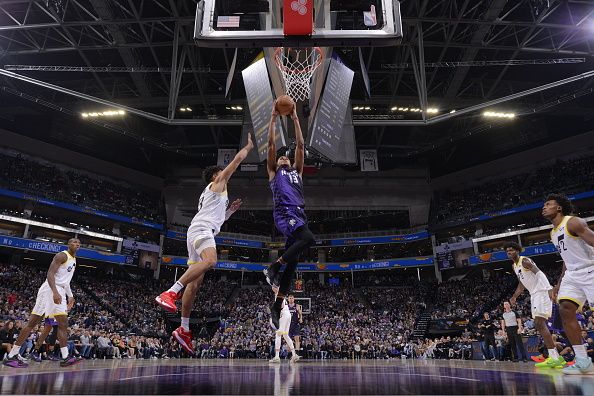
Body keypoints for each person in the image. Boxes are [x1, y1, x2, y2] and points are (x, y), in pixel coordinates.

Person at [155, 134, 254, 354]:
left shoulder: (213, 195)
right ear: (216, 175)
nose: (225, 173)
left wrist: (229, 212)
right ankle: (170, 292)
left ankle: (184, 328)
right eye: (222, 171)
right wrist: (248, 147)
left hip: (199, 229)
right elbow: (236, 162)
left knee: (195, 284)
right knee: (211, 260)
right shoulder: (217, 183)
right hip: (201, 230)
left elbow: (215, 217)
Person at [263, 101, 316, 328]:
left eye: (286, 157)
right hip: (285, 214)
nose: (283, 157)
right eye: (280, 157)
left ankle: (277, 305)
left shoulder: (297, 171)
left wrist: (295, 118)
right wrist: (274, 118)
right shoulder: (274, 172)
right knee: (309, 239)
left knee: (293, 267)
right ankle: (274, 266)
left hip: (299, 215)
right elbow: (271, 144)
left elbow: (301, 146)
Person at [3, 238, 81, 368]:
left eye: (79, 243)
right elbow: (50, 273)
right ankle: (12, 356)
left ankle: (12, 356)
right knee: (41, 322)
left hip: (58, 289)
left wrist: (71, 296)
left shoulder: (74, 260)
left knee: (56, 323)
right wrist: (55, 292)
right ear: (68, 244)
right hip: (51, 289)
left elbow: (65, 281)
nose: (77, 244)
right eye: (74, 242)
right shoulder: (62, 255)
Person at [544, 193, 594, 374]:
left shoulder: (573, 222)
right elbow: (567, 258)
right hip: (572, 275)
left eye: (548, 204)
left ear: (559, 208)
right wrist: (558, 283)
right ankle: (583, 362)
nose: (544, 207)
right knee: (565, 309)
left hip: (591, 269)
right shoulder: (553, 232)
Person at [504, 241, 566, 368]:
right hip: (534, 294)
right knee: (539, 324)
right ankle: (554, 357)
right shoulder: (514, 266)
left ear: (517, 251)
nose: (509, 252)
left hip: (541, 291)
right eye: (507, 251)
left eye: (511, 250)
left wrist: (549, 289)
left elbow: (539, 273)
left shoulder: (525, 260)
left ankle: (555, 358)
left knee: (539, 323)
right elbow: (522, 283)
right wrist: (515, 296)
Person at [269, 287, 300, 364]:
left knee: (278, 334)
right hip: (288, 315)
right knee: (286, 335)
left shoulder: (278, 295)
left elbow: (281, 306)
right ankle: (294, 354)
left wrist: (275, 315)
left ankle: (276, 356)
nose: (273, 288)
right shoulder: (281, 295)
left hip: (284, 315)